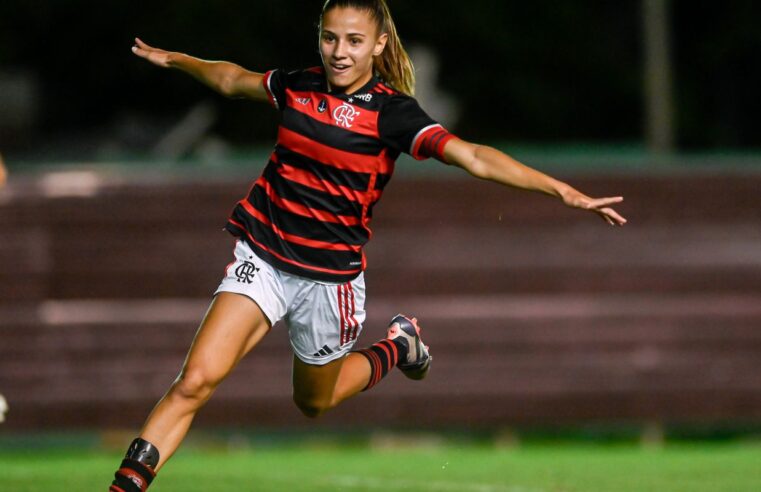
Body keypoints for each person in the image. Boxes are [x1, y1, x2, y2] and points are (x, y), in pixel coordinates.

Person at [109, 0, 627, 490]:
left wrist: (561, 190)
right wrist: (176, 59)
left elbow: (473, 157)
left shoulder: (392, 114)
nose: (340, 51)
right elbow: (229, 79)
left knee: (313, 402)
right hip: (263, 258)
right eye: (330, 38)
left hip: (329, 281)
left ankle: (399, 346)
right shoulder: (298, 86)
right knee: (195, 381)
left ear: (379, 44)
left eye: (354, 41)